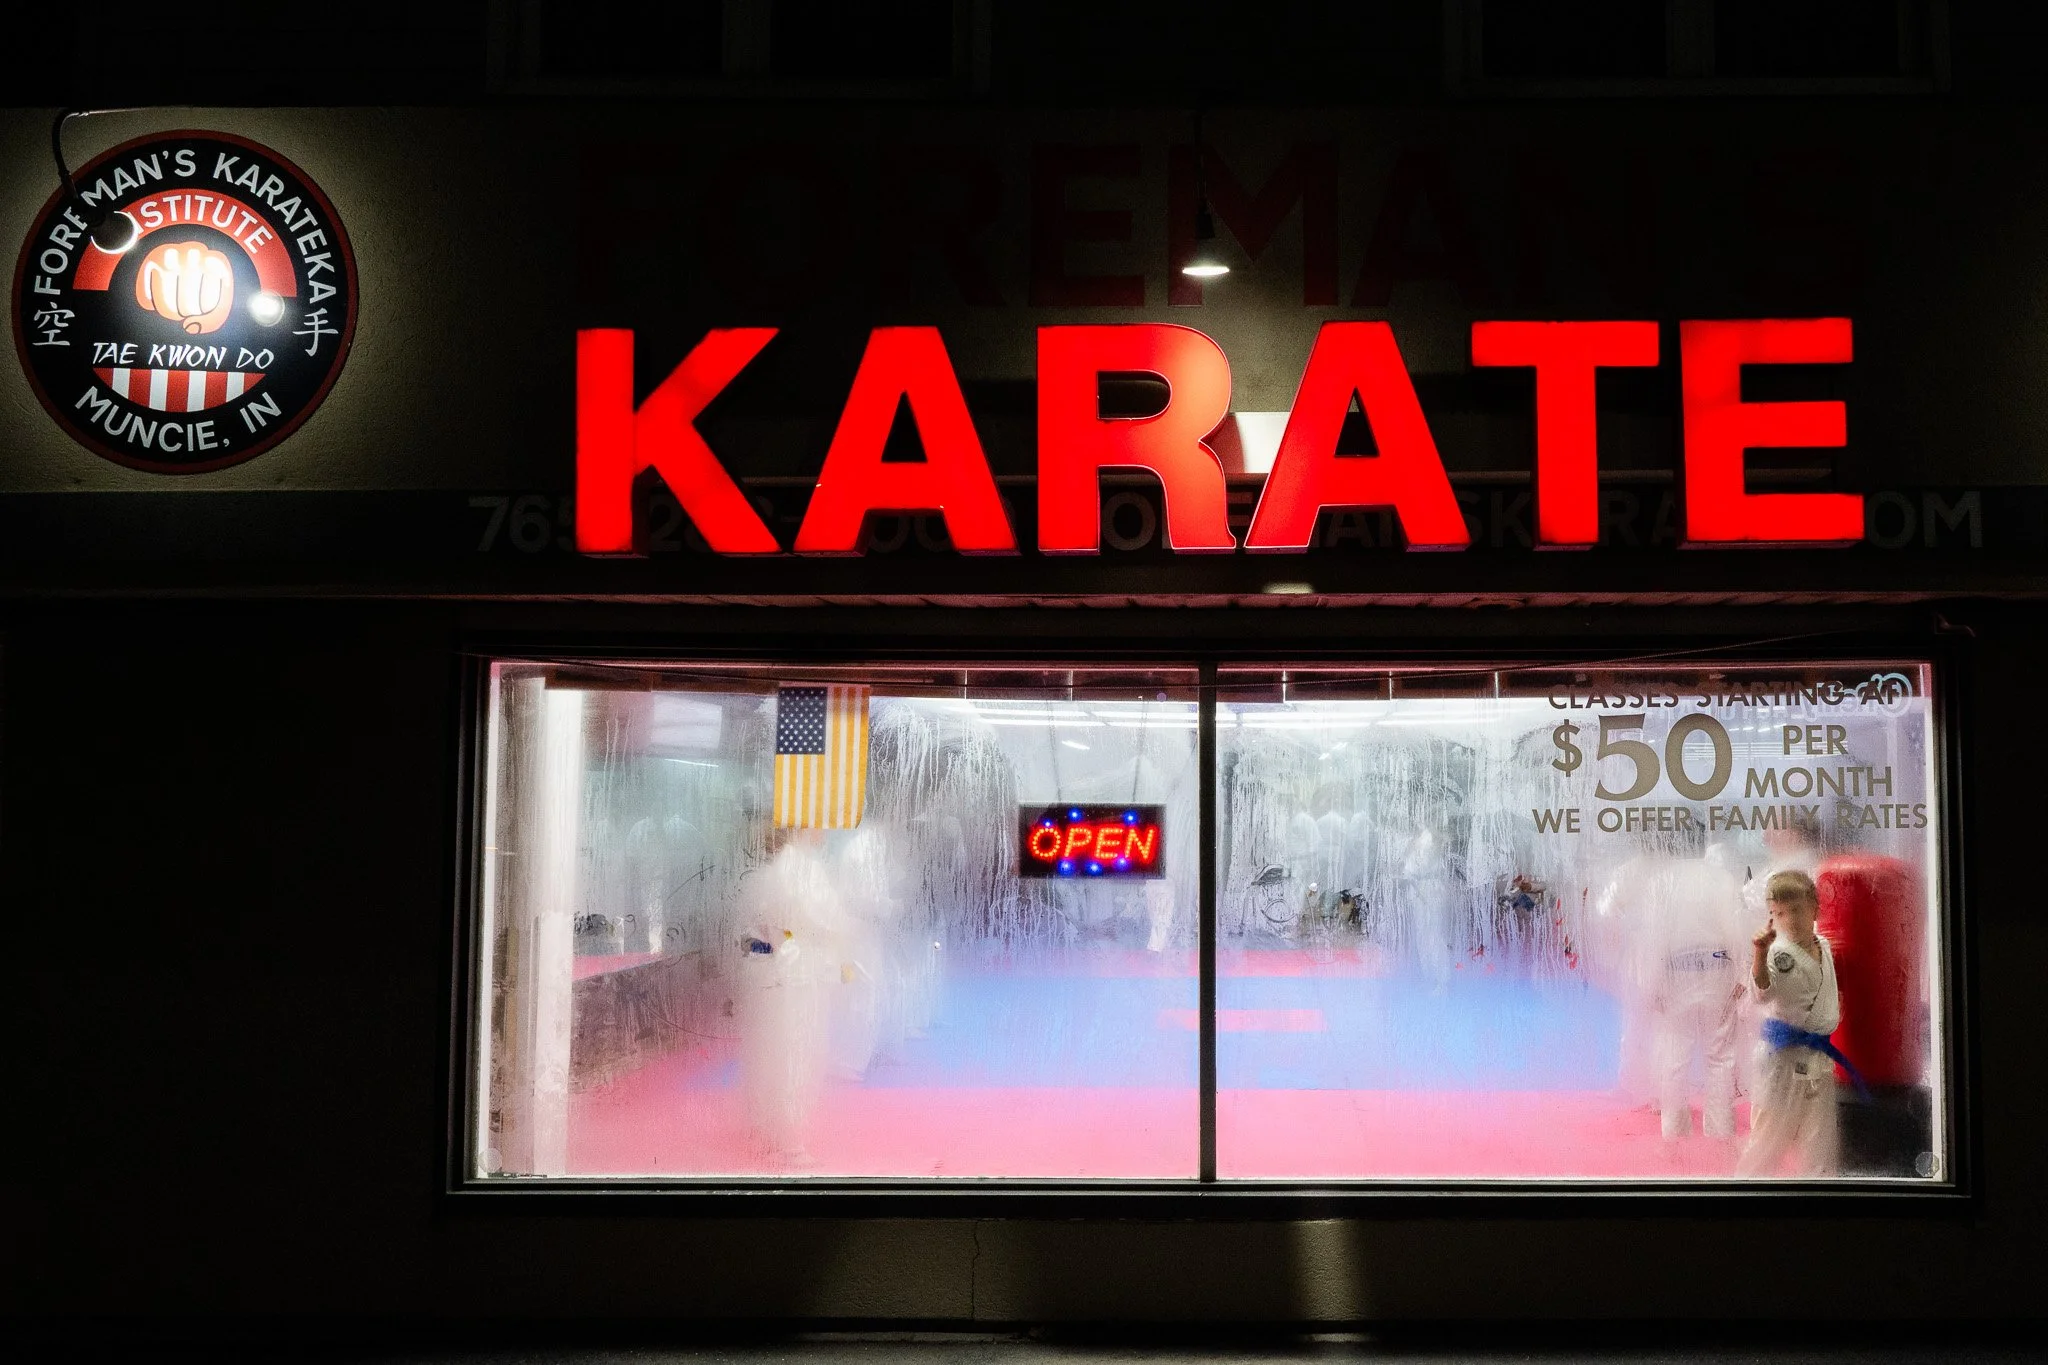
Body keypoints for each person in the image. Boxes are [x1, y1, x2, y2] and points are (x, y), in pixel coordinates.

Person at [1735, 869, 1843, 1177]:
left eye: (1796, 910)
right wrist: (1759, 953)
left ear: (1815, 909)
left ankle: (1821, 1196)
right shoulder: (1776, 953)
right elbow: (1761, 992)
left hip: (1818, 1059)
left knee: (1820, 1142)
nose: (1789, 919)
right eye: (1779, 913)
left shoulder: (1824, 945)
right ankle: (1742, 1193)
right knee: (1768, 1138)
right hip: (1782, 1061)